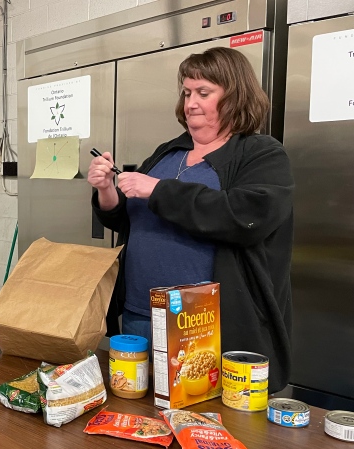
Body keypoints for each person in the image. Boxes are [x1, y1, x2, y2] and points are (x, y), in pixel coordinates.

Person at [88, 47, 293, 392]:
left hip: (204, 323)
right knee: (138, 411)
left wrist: (158, 190)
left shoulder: (261, 153)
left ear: (235, 95)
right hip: (141, 313)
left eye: (203, 92)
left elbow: (244, 217)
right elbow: (130, 220)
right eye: (186, 92)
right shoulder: (169, 151)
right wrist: (106, 191)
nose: (190, 103)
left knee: (205, 421)